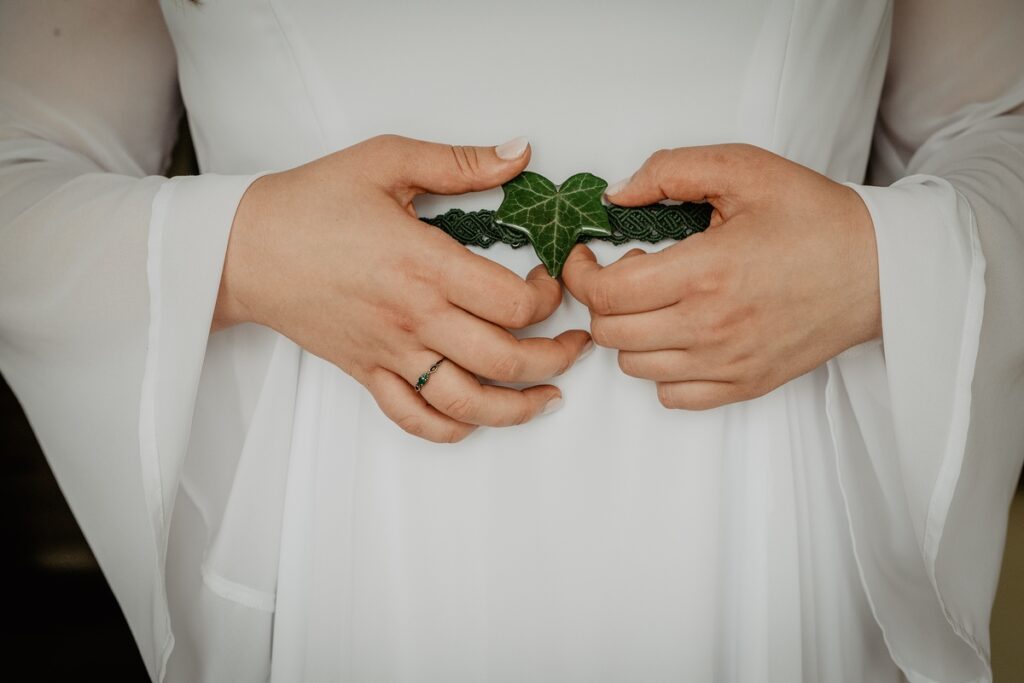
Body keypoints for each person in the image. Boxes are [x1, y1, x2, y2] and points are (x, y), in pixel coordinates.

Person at [1, 0, 1021, 681]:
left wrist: (868, 261)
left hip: (769, 520)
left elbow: (998, 121)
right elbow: (22, 167)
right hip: (349, 534)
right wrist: (248, 250)